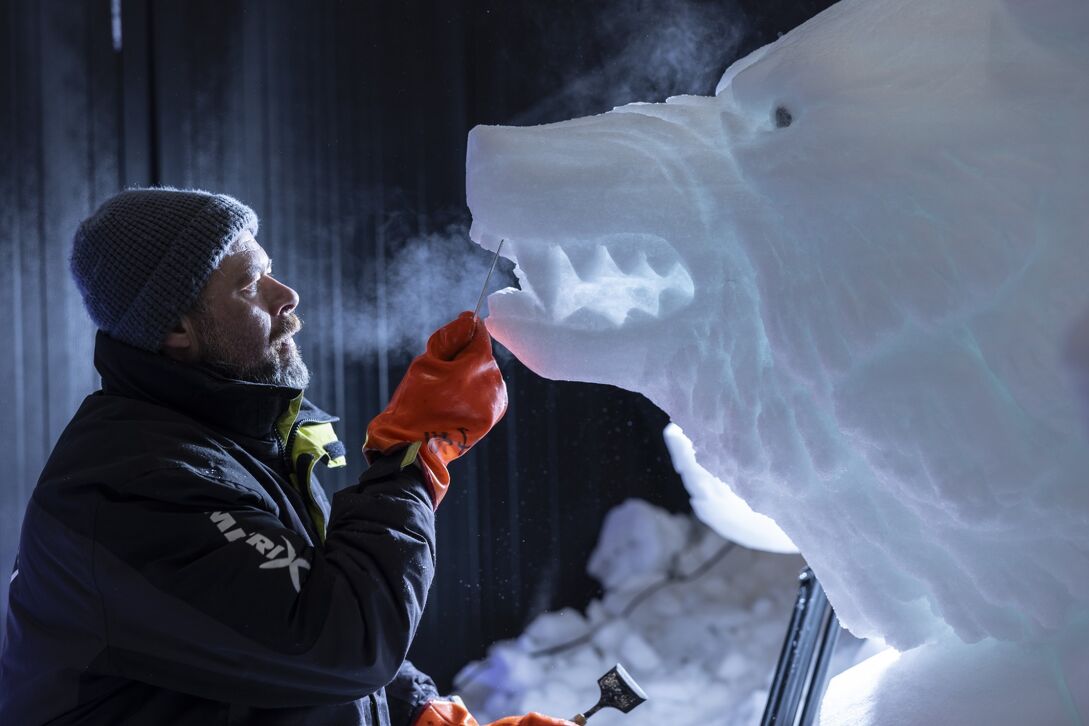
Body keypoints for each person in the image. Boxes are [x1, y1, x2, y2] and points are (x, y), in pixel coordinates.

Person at [0, 188, 572, 726]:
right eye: (250, 283)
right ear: (176, 327)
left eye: (269, 269)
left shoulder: (234, 443)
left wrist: (421, 713)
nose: (286, 294)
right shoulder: (134, 489)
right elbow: (340, 640)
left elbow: (275, 630)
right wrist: (411, 456)